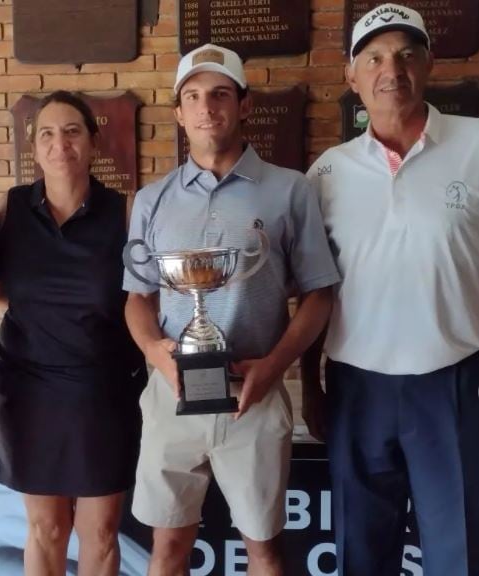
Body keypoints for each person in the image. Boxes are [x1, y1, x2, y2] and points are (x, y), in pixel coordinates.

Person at [123, 43, 339, 576]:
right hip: (172, 395)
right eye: (192, 96)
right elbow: (138, 298)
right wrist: (155, 350)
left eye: (220, 94)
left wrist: (276, 367)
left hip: (254, 398)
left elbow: (320, 294)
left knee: (264, 548)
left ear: (243, 104)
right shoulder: (152, 199)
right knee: (167, 549)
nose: (206, 107)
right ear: (177, 111)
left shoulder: (289, 190)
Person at [303, 4, 479, 575]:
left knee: (460, 551)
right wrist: (310, 382)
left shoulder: (476, 145)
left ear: (429, 64)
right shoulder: (326, 173)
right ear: (351, 78)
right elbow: (312, 288)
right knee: (362, 551)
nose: (391, 70)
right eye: (374, 58)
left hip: (452, 383)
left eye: (407, 54)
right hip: (357, 388)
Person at [0, 90, 147, 576]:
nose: (60, 144)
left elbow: (141, 297)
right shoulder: (9, 208)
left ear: (93, 142)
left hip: (103, 390)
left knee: (99, 532)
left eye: (72, 131)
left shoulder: (126, 211)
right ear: (34, 147)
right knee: (46, 530)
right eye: (47, 133)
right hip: (29, 390)